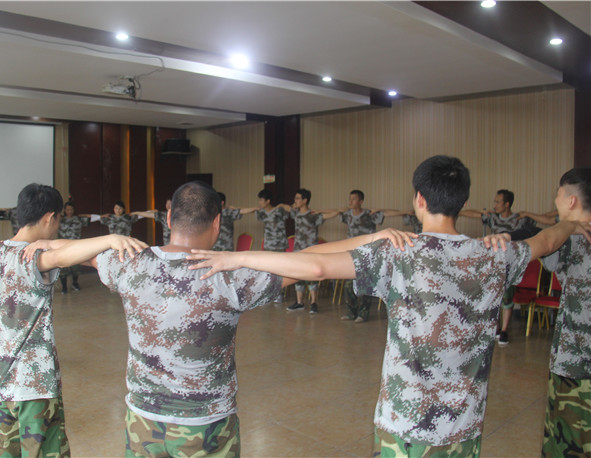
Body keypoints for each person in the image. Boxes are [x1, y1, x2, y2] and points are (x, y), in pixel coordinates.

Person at [188, 156, 591, 456]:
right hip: (465, 425)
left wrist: (240, 257)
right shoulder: (493, 254)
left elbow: (315, 265)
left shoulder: (399, 253)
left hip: (406, 424)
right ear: (461, 201)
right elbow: (546, 242)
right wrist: (572, 223)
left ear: (419, 199)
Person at [0, 183, 146, 457]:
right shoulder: (35, 257)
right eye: (58, 220)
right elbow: (64, 256)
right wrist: (110, 239)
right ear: (49, 218)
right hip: (35, 388)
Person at [88, 181, 286, 456]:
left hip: (143, 422)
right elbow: (312, 266)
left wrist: (106, 241)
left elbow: (71, 255)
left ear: (169, 217)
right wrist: (244, 258)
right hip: (207, 426)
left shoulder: (130, 263)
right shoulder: (230, 276)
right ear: (217, 223)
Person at [535, 167, 590, 457]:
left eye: (558, 195)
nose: (555, 201)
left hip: (575, 361)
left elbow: (544, 246)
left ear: (571, 200)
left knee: (568, 438)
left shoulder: (567, 239)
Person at [461, 189, 537, 345]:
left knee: (507, 297)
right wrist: (481, 212)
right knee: (491, 295)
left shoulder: (518, 220)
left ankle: (504, 331)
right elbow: (466, 213)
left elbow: (535, 229)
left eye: (498, 202)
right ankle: (494, 329)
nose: (495, 205)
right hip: (492, 262)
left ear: (507, 204)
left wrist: (528, 214)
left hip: (509, 262)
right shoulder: (493, 218)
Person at [333, 190, 407, 322]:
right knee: (348, 286)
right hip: (351, 254)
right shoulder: (347, 214)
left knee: (364, 284)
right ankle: (351, 313)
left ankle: (363, 313)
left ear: (361, 201)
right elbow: (331, 212)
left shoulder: (369, 214)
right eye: (350, 199)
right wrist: (339, 209)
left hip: (368, 253)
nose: (350, 201)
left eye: (354, 199)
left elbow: (390, 213)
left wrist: (383, 210)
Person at [279, 188, 338, 314]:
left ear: (305, 200)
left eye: (298, 198)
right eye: (295, 198)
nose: (295, 200)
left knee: (312, 275)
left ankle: (313, 302)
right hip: (298, 250)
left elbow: (335, 212)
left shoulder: (313, 215)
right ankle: (299, 302)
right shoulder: (296, 213)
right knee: (298, 275)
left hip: (311, 250)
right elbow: (285, 206)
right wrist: (288, 205)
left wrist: (321, 211)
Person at [57, 201, 91, 294]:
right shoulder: (60, 220)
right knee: (63, 269)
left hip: (75, 248)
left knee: (75, 268)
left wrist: (83, 215)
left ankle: (75, 283)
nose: (69, 211)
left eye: (71, 209)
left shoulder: (78, 219)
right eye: (67, 209)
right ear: (64, 210)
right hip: (62, 248)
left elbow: (90, 218)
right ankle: (64, 287)